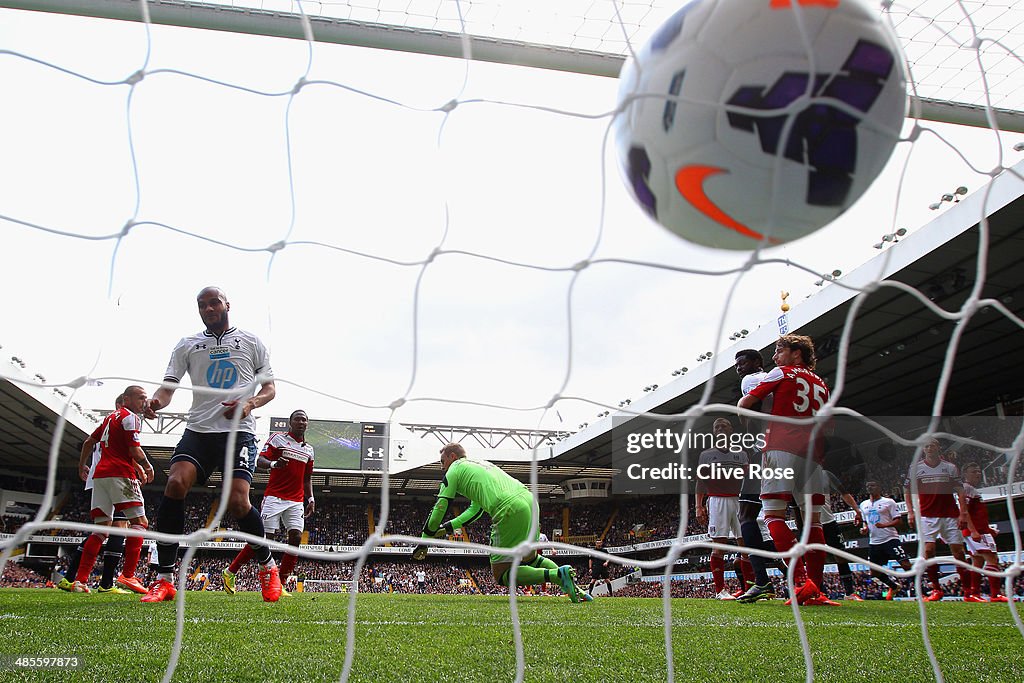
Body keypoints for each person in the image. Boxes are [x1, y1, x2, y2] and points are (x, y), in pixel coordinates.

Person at [142, 286, 281, 603]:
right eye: (202, 305)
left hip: (239, 431)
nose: (208, 308)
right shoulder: (188, 344)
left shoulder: (251, 341)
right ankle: (164, 580)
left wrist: (250, 404)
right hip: (199, 430)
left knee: (237, 502)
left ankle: (267, 568)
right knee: (175, 483)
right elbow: (168, 387)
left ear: (227, 304)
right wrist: (156, 403)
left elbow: (270, 389)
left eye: (213, 302)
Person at [413, 443, 590, 602]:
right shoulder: (480, 464)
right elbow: (474, 511)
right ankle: (576, 589)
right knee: (532, 559)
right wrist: (444, 530)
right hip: (529, 500)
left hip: (509, 508)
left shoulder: (455, 469)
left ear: (453, 456)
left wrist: (424, 540)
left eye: (442, 461)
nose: (442, 467)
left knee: (502, 575)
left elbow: (440, 506)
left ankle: (557, 575)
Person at [737, 335, 836, 606]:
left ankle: (800, 580)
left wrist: (750, 427)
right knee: (813, 522)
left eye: (779, 350)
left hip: (780, 447)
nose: (774, 357)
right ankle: (816, 590)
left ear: (796, 353)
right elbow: (829, 427)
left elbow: (746, 404)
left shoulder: (782, 373)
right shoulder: (822, 384)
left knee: (772, 516)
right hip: (813, 455)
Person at [68, 385, 155, 594]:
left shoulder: (109, 419)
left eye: (146, 398)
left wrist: (82, 466)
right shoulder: (131, 418)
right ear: (126, 399)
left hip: (99, 476)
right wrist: (147, 465)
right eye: (141, 398)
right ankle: (128, 575)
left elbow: (89, 441)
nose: (145, 402)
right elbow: (133, 449)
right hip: (120, 474)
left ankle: (79, 581)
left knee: (101, 528)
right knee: (140, 523)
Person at [223, 409, 315, 597]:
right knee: (264, 540)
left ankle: (279, 584)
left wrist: (311, 498)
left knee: (296, 538)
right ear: (290, 422)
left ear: (307, 424)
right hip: (275, 497)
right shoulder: (278, 439)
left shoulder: (309, 449)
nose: (301, 422)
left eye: (304, 420)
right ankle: (230, 572)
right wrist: (274, 464)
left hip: (296, 500)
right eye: (297, 419)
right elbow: (260, 460)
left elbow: (307, 478)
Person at [733, 349, 779, 604]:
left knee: (746, 515)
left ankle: (762, 582)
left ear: (757, 363)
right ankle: (805, 579)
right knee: (789, 514)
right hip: (787, 448)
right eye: (737, 364)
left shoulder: (751, 381)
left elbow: (750, 412)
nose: (739, 367)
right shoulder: (776, 379)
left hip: (764, 451)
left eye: (743, 362)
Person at [903, 438, 971, 602]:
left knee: (959, 552)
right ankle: (936, 589)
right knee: (928, 551)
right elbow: (907, 490)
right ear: (923, 449)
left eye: (932, 445)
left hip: (950, 515)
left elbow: (961, 491)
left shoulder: (950, 467)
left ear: (938, 448)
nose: (929, 448)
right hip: (927, 515)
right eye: (926, 446)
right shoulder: (915, 468)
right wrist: (910, 512)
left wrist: (963, 513)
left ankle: (969, 592)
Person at [695, 418, 752, 600]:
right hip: (717, 500)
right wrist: (698, 505)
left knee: (745, 545)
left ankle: (750, 588)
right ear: (713, 432)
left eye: (723, 426)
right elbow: (700, 482)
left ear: (730, 430)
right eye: (716, 426)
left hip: (739, 501)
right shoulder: (706, 455)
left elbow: (748, 478)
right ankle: (721, 590)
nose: (720, 429)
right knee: (719, 546)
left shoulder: (741, 454)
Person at [960, 462, 1007, 602]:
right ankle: (995, 594)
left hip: (976, 530)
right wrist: (975, 531)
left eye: (979, 471)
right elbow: (964, 511)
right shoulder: (967, 489)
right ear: (965, 475)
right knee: (992, 558)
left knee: (977, 561)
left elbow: (974, 513)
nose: (978, 473)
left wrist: (988, 528)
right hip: (977, 532)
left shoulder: (971, 489)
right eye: (974, 471)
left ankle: (973, 594)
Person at [859, 480, 912, 600]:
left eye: (872, 485)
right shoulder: (863, 504)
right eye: (868, 486)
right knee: (874, 573)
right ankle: (893, 586)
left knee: (906, 565)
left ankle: (921, 593)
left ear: (879, 487)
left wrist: (885, 525)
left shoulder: (888, 502)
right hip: (874, 542)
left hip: (890, 539)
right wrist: (865, 529)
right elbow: (865, 522)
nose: (870, 488)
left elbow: (899, 520)